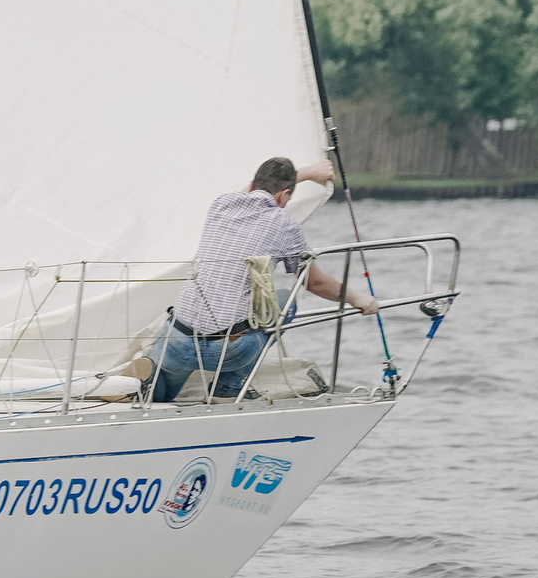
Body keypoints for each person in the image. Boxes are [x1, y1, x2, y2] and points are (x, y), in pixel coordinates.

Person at [150, 156, 381, 404]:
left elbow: (251, 190)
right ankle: (226, 388)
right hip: (229, 350)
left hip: (177, 339)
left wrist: (305, 173)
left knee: (162, 388)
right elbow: (315, 283)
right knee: (284, 301)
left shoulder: (221, 204)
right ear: (283, 195)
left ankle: (149, 384)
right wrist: (358, 299)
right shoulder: (284, 223)